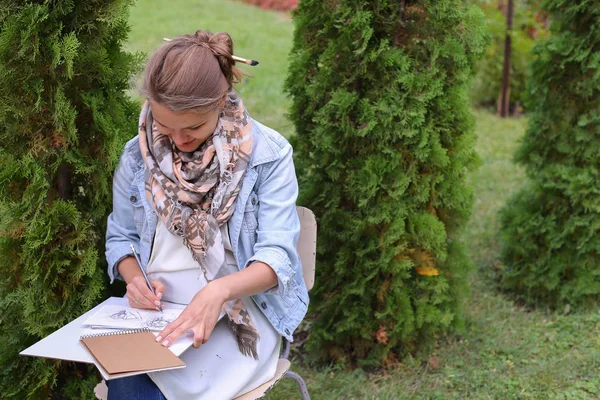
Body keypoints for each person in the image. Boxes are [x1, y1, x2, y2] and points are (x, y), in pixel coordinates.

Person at [104, 29, 308, 399]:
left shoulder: (268, 156)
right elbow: (121, 237)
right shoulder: (137, 156)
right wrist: (134, 281)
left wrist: (218, 290)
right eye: (165, 127)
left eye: (194, 127)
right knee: (129, 388)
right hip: (157, 318)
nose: (179, 140)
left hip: (239, 316)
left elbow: (277, 258)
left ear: (221, 99)